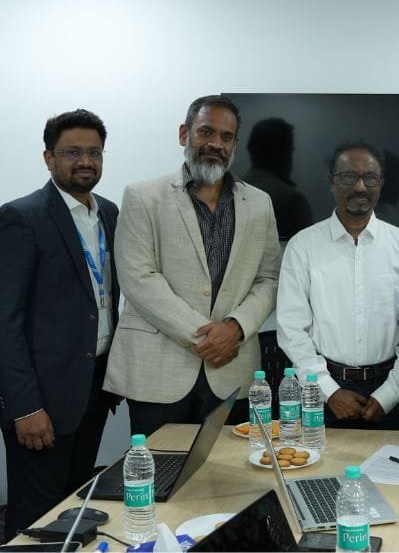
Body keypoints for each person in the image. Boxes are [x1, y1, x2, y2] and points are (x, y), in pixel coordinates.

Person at [104, 95, 281, 433]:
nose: (216, 144)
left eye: (226, 137)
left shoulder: (260, 203)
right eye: (206, 132)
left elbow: (268, 279)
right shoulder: (143, 196)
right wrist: (208, 337)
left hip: (231, 369)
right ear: (184, 134)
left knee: (226, 466)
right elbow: (138, 278)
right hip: (158, 371)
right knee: (160, 466)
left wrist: (235, 328)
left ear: (235, 144)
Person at [0, 109, 121, 538]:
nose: (86, 161)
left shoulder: (109, 213)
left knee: (72, 508)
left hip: (92, 388)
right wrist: (25, 408)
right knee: (35, 518)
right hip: (41, 399)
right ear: (49, 158)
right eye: (73, 152)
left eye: (94, 152)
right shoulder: (21, 217)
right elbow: (2, 321)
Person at [276, 142, 399, 430]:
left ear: (381, 185)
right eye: (348, 176)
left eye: (370, 178)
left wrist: (390, 394)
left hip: (390, 389)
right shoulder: (303, 246)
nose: (360, 187)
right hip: (323, 391)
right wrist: (329, 391)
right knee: (320, 462)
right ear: (332, 182)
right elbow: (292, 329)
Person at [241, 116, 313, 240]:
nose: (291, 159)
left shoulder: (230, 192)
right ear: (282, 153)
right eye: (290, 151)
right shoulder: (292, 201)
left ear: (251, 149)